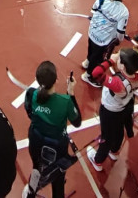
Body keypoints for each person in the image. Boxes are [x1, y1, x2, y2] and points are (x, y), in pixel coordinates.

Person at [24, 61, 81, 198]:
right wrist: (71, 92)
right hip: (57, 147)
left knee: (37, 168)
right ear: (56, 80)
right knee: (58, 175)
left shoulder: (31, 94)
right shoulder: (65, 101)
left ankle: (30, 193)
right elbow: (77, 122)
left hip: (35, 141)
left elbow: (30, 113)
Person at [85, 49, 138, 172]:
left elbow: (96, 73)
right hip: (123, 109)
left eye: (120, 60)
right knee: (118, 131)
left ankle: (98, 160)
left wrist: (111, 60)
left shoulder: (118, 83)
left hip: (110, 111)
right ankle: (114, 151)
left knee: (106, 137)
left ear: (123, 66)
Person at [81, 0, 129, 86]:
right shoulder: (123, 11)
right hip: (104, 40)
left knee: (91, 49)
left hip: (92, 32)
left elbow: (93, 12)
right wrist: (119, 41)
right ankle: (89, 76)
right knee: (98, 58)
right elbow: (120, 32)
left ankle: (87, 61)